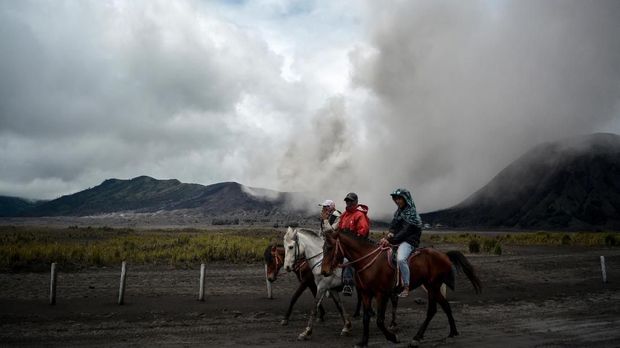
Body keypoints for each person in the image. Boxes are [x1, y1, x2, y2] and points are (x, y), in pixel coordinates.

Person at [386, 188, 422, 298]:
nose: (397, 201)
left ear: (406, 199)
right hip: (398, 239)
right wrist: (388, 235)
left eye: (399, 198)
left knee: (401, 259)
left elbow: (405, 231)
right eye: (396, 199)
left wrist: (391, 239)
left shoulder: (411, 213)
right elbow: (393, 226)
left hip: (409, 241)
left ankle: (406, 286)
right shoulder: (398, 212)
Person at [337, 192, 370, 296]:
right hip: (344, 245)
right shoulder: (344, 215)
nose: (348, 203)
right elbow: (339, 229)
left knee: (348, 261)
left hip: (356, 246)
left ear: (356, 202)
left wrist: (353, 241)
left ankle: (348, 284)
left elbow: (363, 230)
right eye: (347, 201)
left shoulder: (359, 215)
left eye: (350, 201)